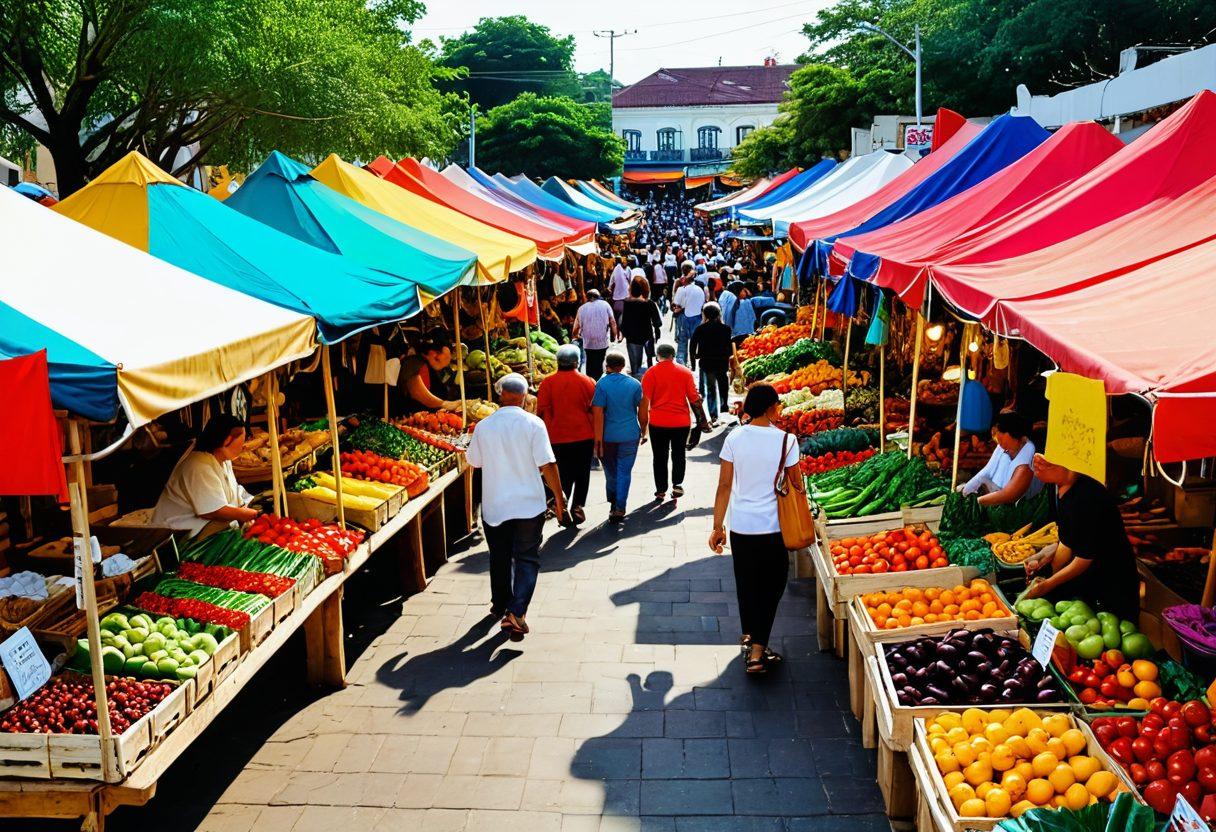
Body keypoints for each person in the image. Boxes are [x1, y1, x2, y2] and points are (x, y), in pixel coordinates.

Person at [709, 383, 801, 675]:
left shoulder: (735, 437)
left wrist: (717, 526)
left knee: (747, 585)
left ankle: (751, 637)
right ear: (771, 407)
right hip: (774, 527)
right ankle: (758, 653)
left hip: (742, 526)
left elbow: (724, 486)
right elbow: (797, 484)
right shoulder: (787, 440)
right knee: (772, 587)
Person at [466, 374, 566, 640]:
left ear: (500, 395)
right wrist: (559, 498)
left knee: (499, 556)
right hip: (528, 506)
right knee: (527, 558)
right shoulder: (534, 424)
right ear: (524, 397)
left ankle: (501, 604)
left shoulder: (484, 427)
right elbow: (548, 465)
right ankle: (517, 612)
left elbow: (474, 461)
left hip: (495, 505)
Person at [1021, 455, 1139, 620]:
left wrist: (1047, 585)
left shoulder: (1087, 497)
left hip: (1111, 582)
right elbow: (1070, 537)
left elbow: (1084, 558)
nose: (1037, 460)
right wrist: (1043, 555)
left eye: (1046, 458)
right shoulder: (1060, 487)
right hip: (1089, 581)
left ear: (1066, 463)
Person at [152, 414, 258, 537]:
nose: (244, 444)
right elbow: (212, 511)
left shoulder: (224, 461)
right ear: (227, 440)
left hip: (205, 530)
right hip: (178, 536)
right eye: (242, 439)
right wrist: (247, 514)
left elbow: (233, 494)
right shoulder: (197, 464)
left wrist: (245, 507)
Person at [642, 340, 709, 501]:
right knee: (679, 454)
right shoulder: (685, 372)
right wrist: (703, 421)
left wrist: (643, 427)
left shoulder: (650, 373)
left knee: (659, 456)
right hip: (681, 422)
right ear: (673, 356)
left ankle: (660, 490)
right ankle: (677, 484)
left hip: (658, 422)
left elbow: (644, 402)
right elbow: (694, 399)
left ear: (658, 357)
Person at [535, 345, 595, 526]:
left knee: (562, 472)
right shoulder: (588, 381)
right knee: (583, 472)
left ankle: (562, 503)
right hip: (584, 434)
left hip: (556, 436)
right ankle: (578, 505)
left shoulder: (547, 383)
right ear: (577, 361)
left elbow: (542, 411)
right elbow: (594, 410)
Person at [592, 352, 645, 524]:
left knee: (611, 471)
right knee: (624, 471)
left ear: (607, 366)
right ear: (623, 366)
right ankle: (620, 506)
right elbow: (642, 410)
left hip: (607, 436)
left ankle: (613, 501)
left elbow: (598, 413)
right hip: (630, 434)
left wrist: (597, 440)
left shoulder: (601, 384)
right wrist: (644, 430)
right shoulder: (635, 384)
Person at [959, 411, 1043, 505]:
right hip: (998, 492)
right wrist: (965, 491)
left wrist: (976, 502)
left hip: (1019, 504)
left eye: (1002, 441)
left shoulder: (1028, 457)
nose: (1001, 446)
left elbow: (1009, 495)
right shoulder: (1002, 446)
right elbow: (986, 471)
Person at [689, 302, 736, 425]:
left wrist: (693, 361)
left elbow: (692, 346)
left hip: (706, 362)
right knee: (723, 385)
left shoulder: (700, 329)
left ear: (705, 314)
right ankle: (724, 406)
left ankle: (713, 413)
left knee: (711, 388)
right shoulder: (726, 329)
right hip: (721, 362)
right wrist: (731, 360)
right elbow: (729, 347)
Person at [401, 338, 462, 413]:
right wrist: (444, 404)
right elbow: (417, 392)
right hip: (409, 415)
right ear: (433, 354)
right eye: (438, 360)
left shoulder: (430, 366)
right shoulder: (413, 362)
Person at [620, 277, 662, 378]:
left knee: (635, 366)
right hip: (646, 335)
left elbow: (623, 322)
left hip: (632, 337)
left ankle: (637, 385)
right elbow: (657, 321)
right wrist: (656, 332)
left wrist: (624, 333)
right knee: (649, 362)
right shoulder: (649, 303)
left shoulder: (626, 302)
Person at [572, 289, 618, 380]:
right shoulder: (605, 304)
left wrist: (575, 335)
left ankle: (591, 382)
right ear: (598, 297)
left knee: (590, 362)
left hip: (588, 343)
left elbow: (576, 326)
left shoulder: (581, 308)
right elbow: (612, 321)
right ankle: (598, 381)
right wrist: (614, 335)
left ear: (588, 298)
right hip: (602, 341)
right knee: (600, 361)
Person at [672, 266, 706, 366]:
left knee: (682, 340)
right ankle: (693, 361)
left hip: (684, 317)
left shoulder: (682, 290)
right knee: (695, 341)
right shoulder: (700, 289)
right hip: (697, 317)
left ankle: (682, 361)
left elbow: (677, 303)